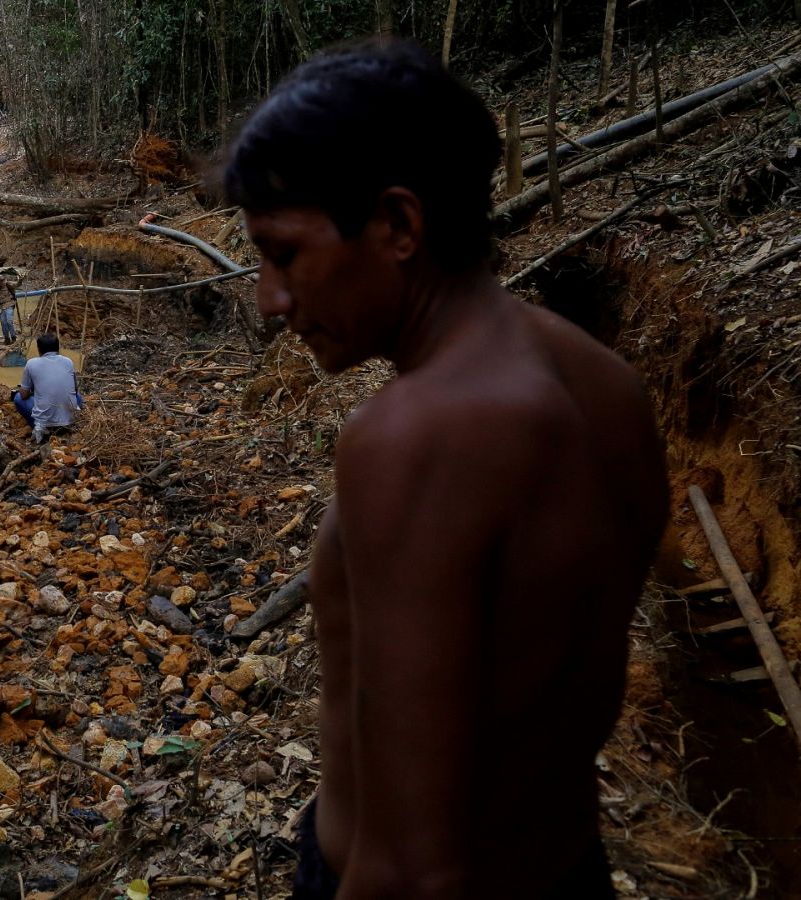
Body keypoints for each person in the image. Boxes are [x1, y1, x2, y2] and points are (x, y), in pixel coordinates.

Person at [223, 40, 667, 900]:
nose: (269, 302)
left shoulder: (415, 437)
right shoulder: (606, 386)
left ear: (398, 226)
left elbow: (414, 869)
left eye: (284, 255)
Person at [11, 332, 83, 444]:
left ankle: (39, 425)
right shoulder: (68, 361)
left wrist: (31, 391)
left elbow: (24, 395)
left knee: (18, 398)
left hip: (45, 421)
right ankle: (64, 423)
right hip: (70, 419)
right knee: (78, 396)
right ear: (58, 348)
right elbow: (75, 390)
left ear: (39, 349)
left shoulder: (31, 363)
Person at [0, 273, 20, 343]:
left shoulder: (9, 285)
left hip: (9, 305)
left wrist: (20, 278)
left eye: (1, 281)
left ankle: (13, 337)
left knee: (9, 321)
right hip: (2, 307)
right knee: (3, 323)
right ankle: (6, 338)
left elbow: (18, 284)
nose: (1, 283)